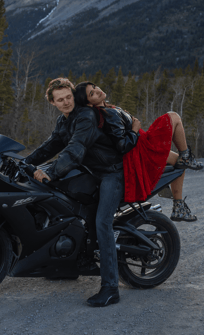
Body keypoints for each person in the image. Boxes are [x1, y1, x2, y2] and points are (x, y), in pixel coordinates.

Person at [25, 77, 130, 307]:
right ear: (52, 102)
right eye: (59, 99)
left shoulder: (85, 116)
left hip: (112, 173)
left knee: (103, 222)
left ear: (74, 95)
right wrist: (25, 163)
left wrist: (51, 171)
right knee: (64, 202)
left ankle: (111, 288)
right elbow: (51, 145)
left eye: (68, 97)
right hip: (92, 172)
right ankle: (73, 262)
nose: (65, 102)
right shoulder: (64, 121)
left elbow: (76, 148)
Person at [74, 81, 203, 222]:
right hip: (141, 148)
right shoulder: (108, 114)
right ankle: (186, 157)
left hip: (140, 144)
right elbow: (122, 145)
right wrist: (135, 129)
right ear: (88, 103)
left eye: (94, 87)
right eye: (92, 93)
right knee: (174, 117)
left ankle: (179, 207)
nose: (97, 90)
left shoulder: (107, 109)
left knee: (179, 162)